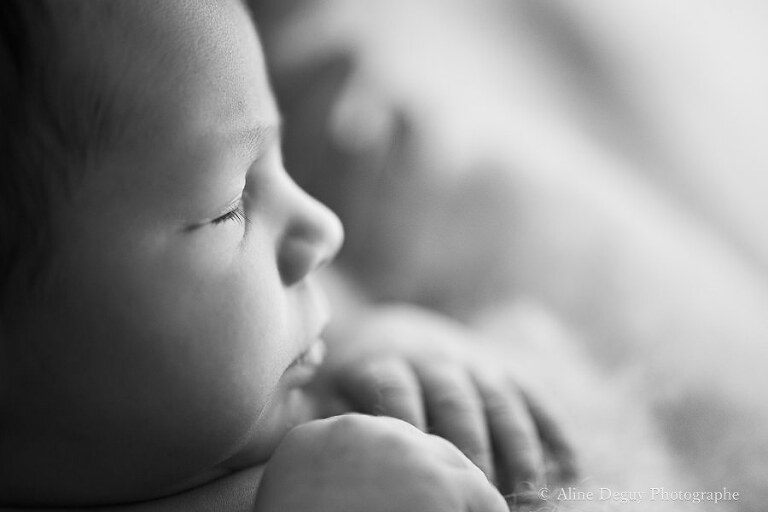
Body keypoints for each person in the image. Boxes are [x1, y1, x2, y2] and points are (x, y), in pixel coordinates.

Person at [0, 1, 574, 510]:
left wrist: (390, 347)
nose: (323, 226)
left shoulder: (262, 386)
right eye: (229, 207)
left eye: (280, 166)